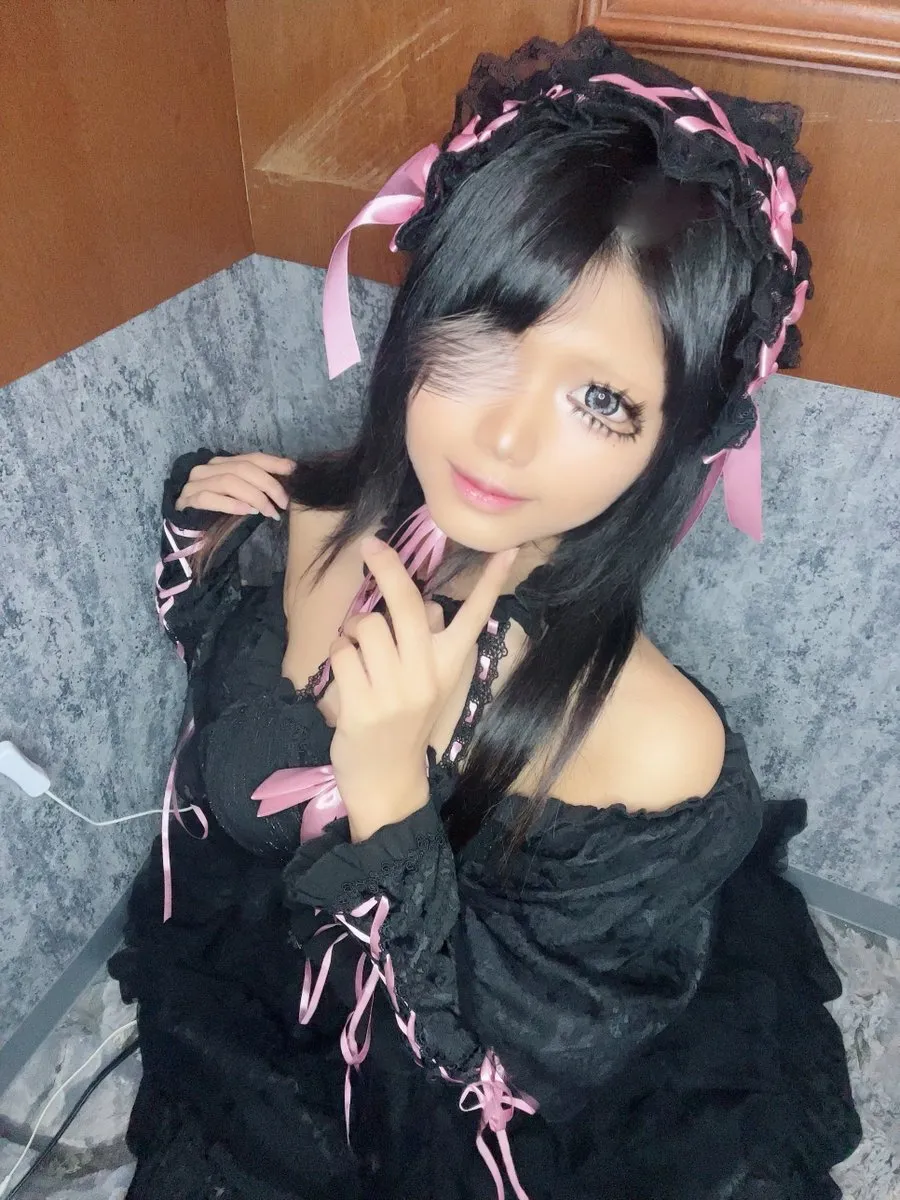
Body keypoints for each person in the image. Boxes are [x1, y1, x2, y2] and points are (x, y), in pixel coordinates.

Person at [109, 28, 863, 1200]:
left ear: (679, 436)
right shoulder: (323, 516)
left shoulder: (653, 751)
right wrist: (203, 545)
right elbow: (231, 686)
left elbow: (503, 1079)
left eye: (600, 398)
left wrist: (387, 782)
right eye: (485, 337)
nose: (504, 439)